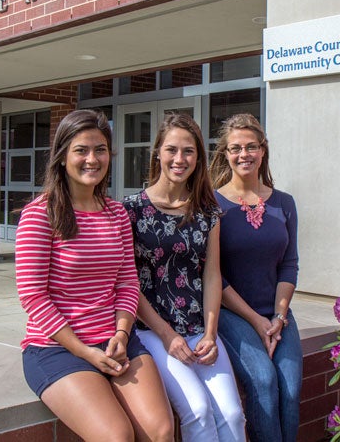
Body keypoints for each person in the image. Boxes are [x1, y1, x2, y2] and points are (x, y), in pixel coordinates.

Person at [15, 109, 174, 442]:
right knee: (117, 436)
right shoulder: (41, 214)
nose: (92, 159)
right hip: (58, 348)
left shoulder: (115, 212)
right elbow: (33, 296)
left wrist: (121, 331)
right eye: (81, 150)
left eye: (100, 149)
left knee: (160, 431)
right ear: (62, 157)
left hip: (116, 341)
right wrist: (85, 352)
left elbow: (127, 281)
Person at [123, 113, 246, 442]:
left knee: (233, 415)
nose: (180, 159)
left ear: (199, 157)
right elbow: (128, 283)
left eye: (189, 151)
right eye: (172, 150)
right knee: (197, 410)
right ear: (158, 153)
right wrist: (166, 335)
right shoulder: (131, 209)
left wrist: (210, 331)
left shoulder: (208, 211)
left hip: (198, 328)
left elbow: (211, 275)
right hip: (151, 329)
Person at [208, 113, 301, 442]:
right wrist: (256, 320)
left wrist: (277, 316)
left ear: (263, 150)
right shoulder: (213, 204)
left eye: (251, 147)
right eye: (235, 148)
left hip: (276, 314)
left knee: (289, 389)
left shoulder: (284, 203)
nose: (243, 154)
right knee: (263, 380)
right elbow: (213, 276)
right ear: (226, 153)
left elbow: (289, 265)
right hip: (233, 314)